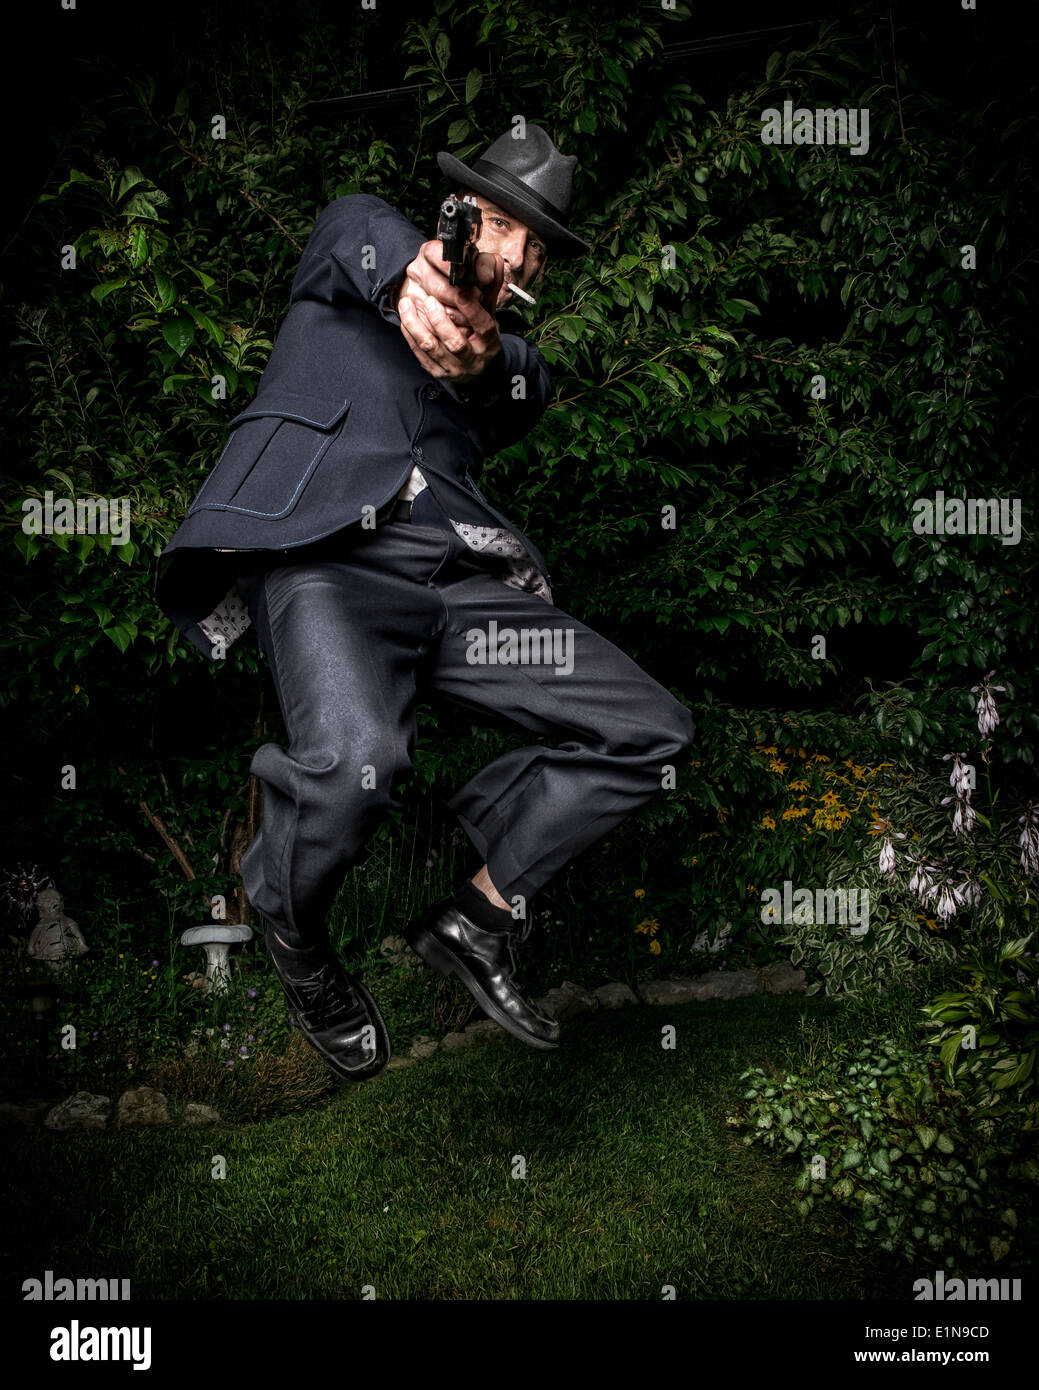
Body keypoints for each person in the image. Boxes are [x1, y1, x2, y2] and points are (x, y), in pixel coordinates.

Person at [155, 122, 695, 1080]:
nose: (512, 251)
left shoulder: (513, 364)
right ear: (458, 215)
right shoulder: (360, 244)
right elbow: (355, 234)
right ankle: (290, 926)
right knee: (353, 765)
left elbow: (517, 387)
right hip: (327, 563)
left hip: (455, 591)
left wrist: (484, 357)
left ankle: (476, 917)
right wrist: (412, 275)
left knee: (651, 731)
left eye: (534, 246)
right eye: (498, 223)